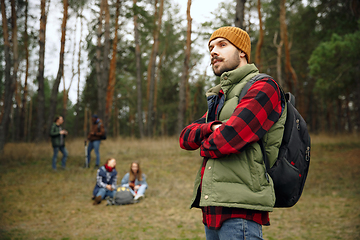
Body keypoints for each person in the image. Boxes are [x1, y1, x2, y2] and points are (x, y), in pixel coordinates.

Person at [179, 26, 286, 240]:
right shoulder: (221, 96)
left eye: (222, 45)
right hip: (213, 209)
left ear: (242, 52)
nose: (213, 52)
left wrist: (210, 137)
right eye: (211, 47)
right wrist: (211, 127)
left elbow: (227, 139)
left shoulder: (264, 86)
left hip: (240, 212)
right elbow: (185, 138)